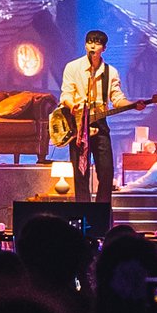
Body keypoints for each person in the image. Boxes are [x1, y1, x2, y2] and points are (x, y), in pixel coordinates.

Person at [60, 31, 128, 202]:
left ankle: (101, 211)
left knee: (106, 172)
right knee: (80, 172)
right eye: (90, 42)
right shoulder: (72, 67)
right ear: (85, 45)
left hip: (100, 121)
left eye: (97, 43)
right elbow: (66, 94)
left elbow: (117, 98)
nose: (92, 46)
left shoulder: (110, 72)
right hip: (78, 122)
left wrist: (135, 105)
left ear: (103, 48)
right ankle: (83, 210)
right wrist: (71, 105)